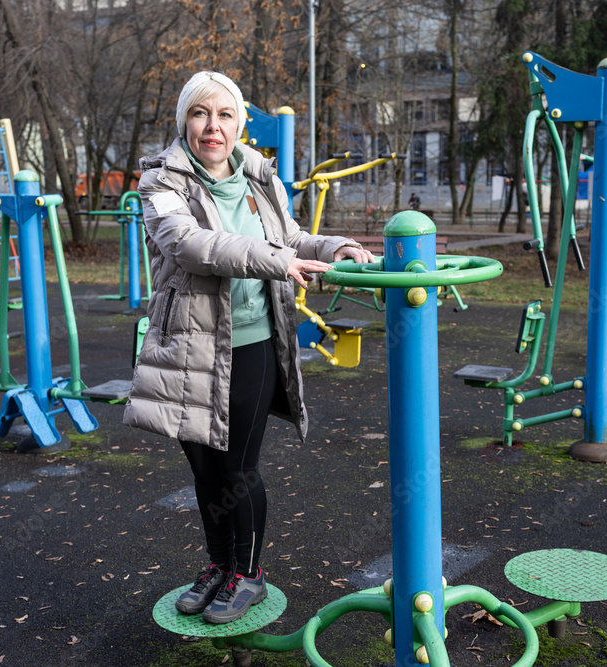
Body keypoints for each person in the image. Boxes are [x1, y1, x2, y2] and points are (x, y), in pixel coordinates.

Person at [123, 71, 373, 625]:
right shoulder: (162, 183)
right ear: (184, 120)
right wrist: (277, 259)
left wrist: (339, 246)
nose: (213, 127)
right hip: (187, 345)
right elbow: (189, 245)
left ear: (240, 123)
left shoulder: (261, 180)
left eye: (225, 115)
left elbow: (289, 239)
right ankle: (219, 565)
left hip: (252, 343)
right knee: (205, 470)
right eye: (200, 114)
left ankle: (250, 573)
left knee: (238, 470)